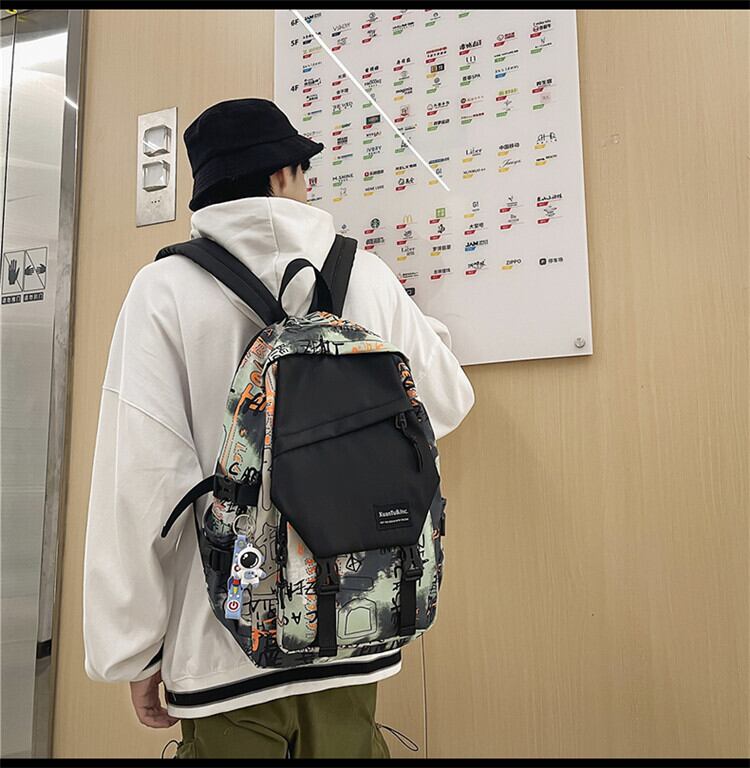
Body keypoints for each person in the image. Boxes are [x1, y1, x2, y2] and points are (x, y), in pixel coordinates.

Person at [83, 98, 475, 759]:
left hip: (224, 647)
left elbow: (139, 484)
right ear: (281, 175)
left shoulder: (163, 291)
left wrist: (136, 651)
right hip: (356, 627)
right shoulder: (364, 275)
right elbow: (445, 402)